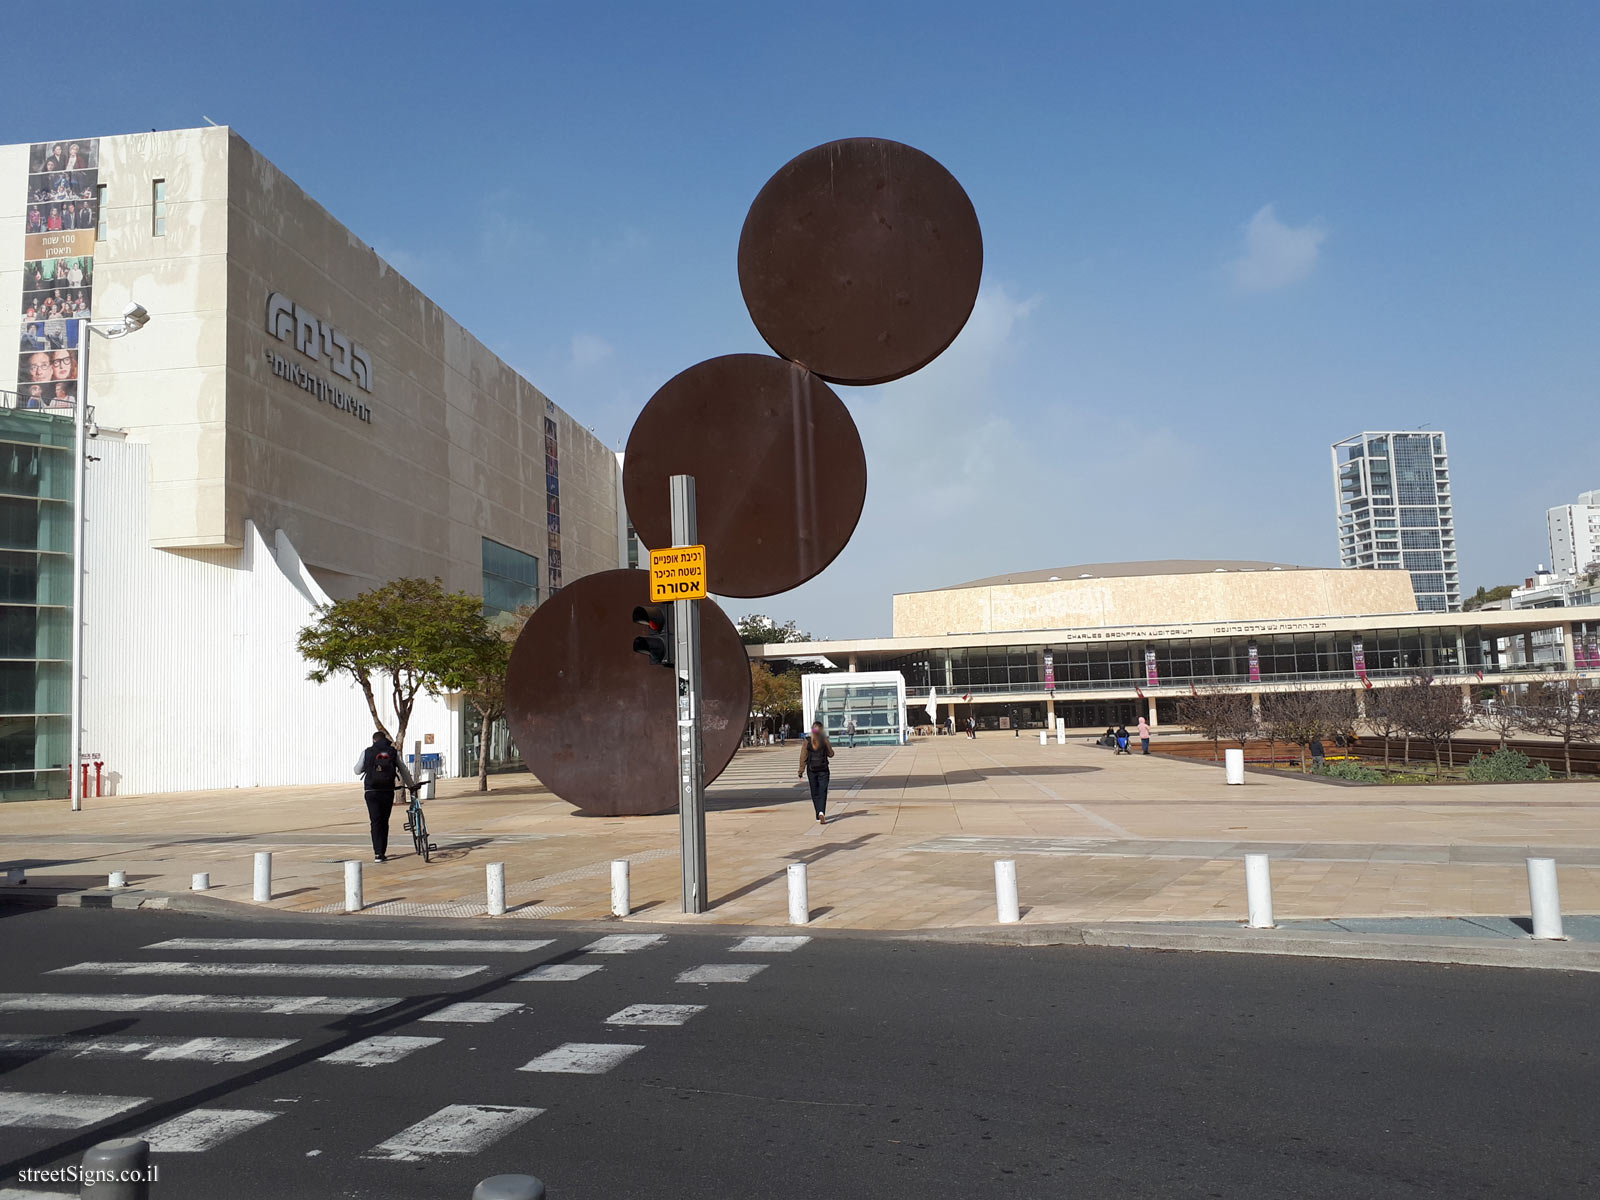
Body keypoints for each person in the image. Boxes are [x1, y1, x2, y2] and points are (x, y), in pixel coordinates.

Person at [354, 730, 414, 862]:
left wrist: (369, 766)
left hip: (371, 792)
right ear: (385, 739)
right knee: (384, 822)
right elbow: (403, 769)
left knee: (375, 821)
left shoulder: (367, 752)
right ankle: (382, 852)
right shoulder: (393, 752)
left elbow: (357, 770)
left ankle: (377, 853)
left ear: (374, 740)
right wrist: (411, 786)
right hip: (387, 791)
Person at [796, 721, 834, 825]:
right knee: (823, 792)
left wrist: (801, 771)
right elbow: (831, 754)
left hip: (811, 770)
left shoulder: (807, 741)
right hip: (824, 770)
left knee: (815, 792)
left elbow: (803, 757)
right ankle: (822, 811)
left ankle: (818, 814)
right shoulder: (824, 740)